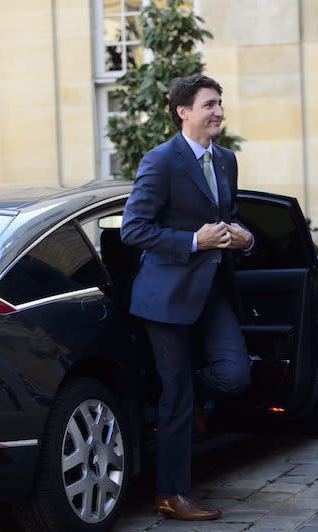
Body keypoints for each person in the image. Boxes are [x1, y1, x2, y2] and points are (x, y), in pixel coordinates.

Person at [120, 74, 253, 520]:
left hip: (213, 289)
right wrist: (193, 240)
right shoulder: (159, 161)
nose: (218, 111)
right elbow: (133, 230)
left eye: (220, 103)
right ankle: (171, 494)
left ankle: (178, 393)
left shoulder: (226, 160)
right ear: (184, 112)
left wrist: (243, 237)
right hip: (166, 295)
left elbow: (230, 217)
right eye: (209, 104)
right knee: (176, 396)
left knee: (235, 375)